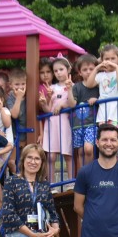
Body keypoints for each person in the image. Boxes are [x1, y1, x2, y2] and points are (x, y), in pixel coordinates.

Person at [41, 55, 74, 183]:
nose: (58, 73)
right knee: (51, 155)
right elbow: (48, 109)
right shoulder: (52, 88)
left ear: (68, 69)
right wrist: (45, 101)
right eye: (56, 71)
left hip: (66, 123)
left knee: (67, 154)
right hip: (52, 123)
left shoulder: (73, 85)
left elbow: (72, 103)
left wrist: (62, 104)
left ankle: (71, 181)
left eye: (61, 69)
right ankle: (52, 183)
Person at [68, 54, 99, 170]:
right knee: (80, 152)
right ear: (80, 72)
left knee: (88, 149)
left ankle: (90, 173)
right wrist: (69, 90)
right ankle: (82, 176)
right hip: (78, 125)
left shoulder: (98, 86)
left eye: (91, 69)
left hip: (92, 124)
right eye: (85, 69)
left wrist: (97, 99)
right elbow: (72, 104)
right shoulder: (77, 87)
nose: (88, 72)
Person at [84, 44, 118, 129]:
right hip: (103, 113)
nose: (110, 61)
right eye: (107, 59)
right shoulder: (101, 75)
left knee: (114, 138)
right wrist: (96, 68)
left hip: (117, 114)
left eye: (113, 58)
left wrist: (116, 67)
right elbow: (89, 84)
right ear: (102, 60)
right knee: (104, 137)